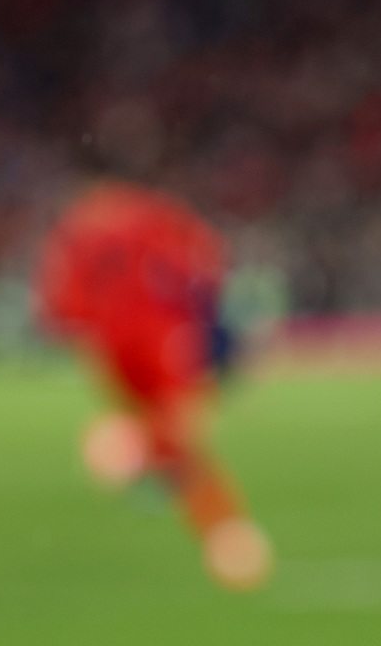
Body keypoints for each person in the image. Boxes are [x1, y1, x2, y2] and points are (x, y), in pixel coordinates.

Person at [36, 182, 273, 590]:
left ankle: (143, 461)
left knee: (166, 431)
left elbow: (59, 307)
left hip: (111, 343)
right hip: (160, 334)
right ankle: (220, 528)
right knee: (178, 429)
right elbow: (204, 261)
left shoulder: (74, 233)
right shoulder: (151, 216)